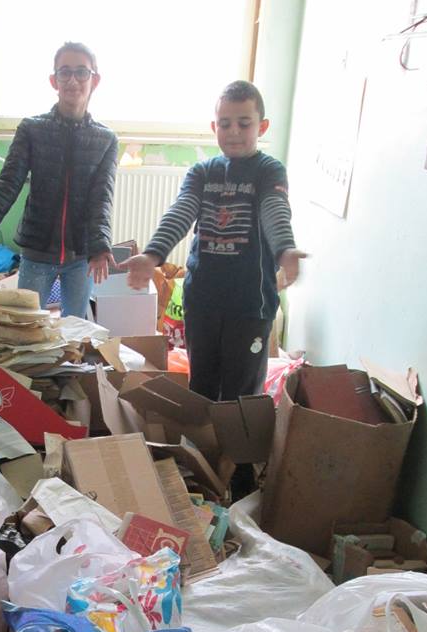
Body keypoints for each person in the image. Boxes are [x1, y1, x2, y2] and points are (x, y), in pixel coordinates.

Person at [123, 80, 306, 401]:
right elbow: (181, 211)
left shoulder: (268, 170)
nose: (233, 131)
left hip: (250, 305)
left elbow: (274, 209)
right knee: (202, 386)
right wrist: (152, 255)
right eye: (225, 124)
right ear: (214, 127)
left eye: (244, 123)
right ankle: (204, 434)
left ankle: (236, 435)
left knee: (242, 392)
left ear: (262, 127)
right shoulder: (202, 172)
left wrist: (284, 249)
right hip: (202, 301)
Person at [0, 42, 118, 319]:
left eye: (81, 72)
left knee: (75, 328)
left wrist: (100, 244)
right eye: (65, 72)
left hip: (81, 256)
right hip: (37, 252)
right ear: (54, 81)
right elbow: (8, 182)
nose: (73, 80)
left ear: (95, 80)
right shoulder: (32, 129)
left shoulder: (106, 139)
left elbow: (102, 198)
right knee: (25, 324)